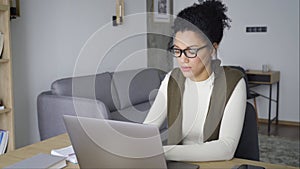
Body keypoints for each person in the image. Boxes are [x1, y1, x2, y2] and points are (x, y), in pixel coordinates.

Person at [143, 0, 247, 162]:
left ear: (213, 48)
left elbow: (226, 148)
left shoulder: (233, 81)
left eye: (191, 51)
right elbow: (147, 130)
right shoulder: (172, 79)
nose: (182, 59)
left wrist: (161, 152)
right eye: (177, 50)